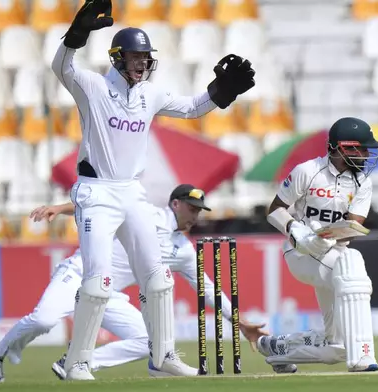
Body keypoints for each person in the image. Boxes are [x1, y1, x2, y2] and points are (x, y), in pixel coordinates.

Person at [51, 0, 255, 380]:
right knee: (97, 282)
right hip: (96, 192)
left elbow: (193, 108)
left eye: (146, 58)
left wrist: (220, 93)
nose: (142, 64)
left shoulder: (151, 95)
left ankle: (163, 356)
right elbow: (62, 67)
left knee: (158, 277)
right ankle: (78, 361)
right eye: (134, 57)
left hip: (132, 192)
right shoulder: (93, 87)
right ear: (116, 58)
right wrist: (76, 35)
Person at [0, 184, 267, 382]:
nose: (195, 216)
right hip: (80, 274)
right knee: (43, 321)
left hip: (107, 295)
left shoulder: (182, 250)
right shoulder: (147, 214)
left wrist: (238, 322)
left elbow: (206, 288)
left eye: (199, 211)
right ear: (175, 204)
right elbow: (101, 206)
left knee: (149, 343)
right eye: (191, 209)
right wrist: (58, 208)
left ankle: (79, 361)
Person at [261, 117, 378, 373]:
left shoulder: (363, 183)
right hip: (301, 253)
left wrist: (328, 235)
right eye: (361, 148)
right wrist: (297, 231)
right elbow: (274, 210)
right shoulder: (307, 171)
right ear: (341, 148)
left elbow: (353, 227)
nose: (366, 154)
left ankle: (279, 349)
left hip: (333, 253)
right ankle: (363, 355)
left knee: (337, 346)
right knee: (354, 265)